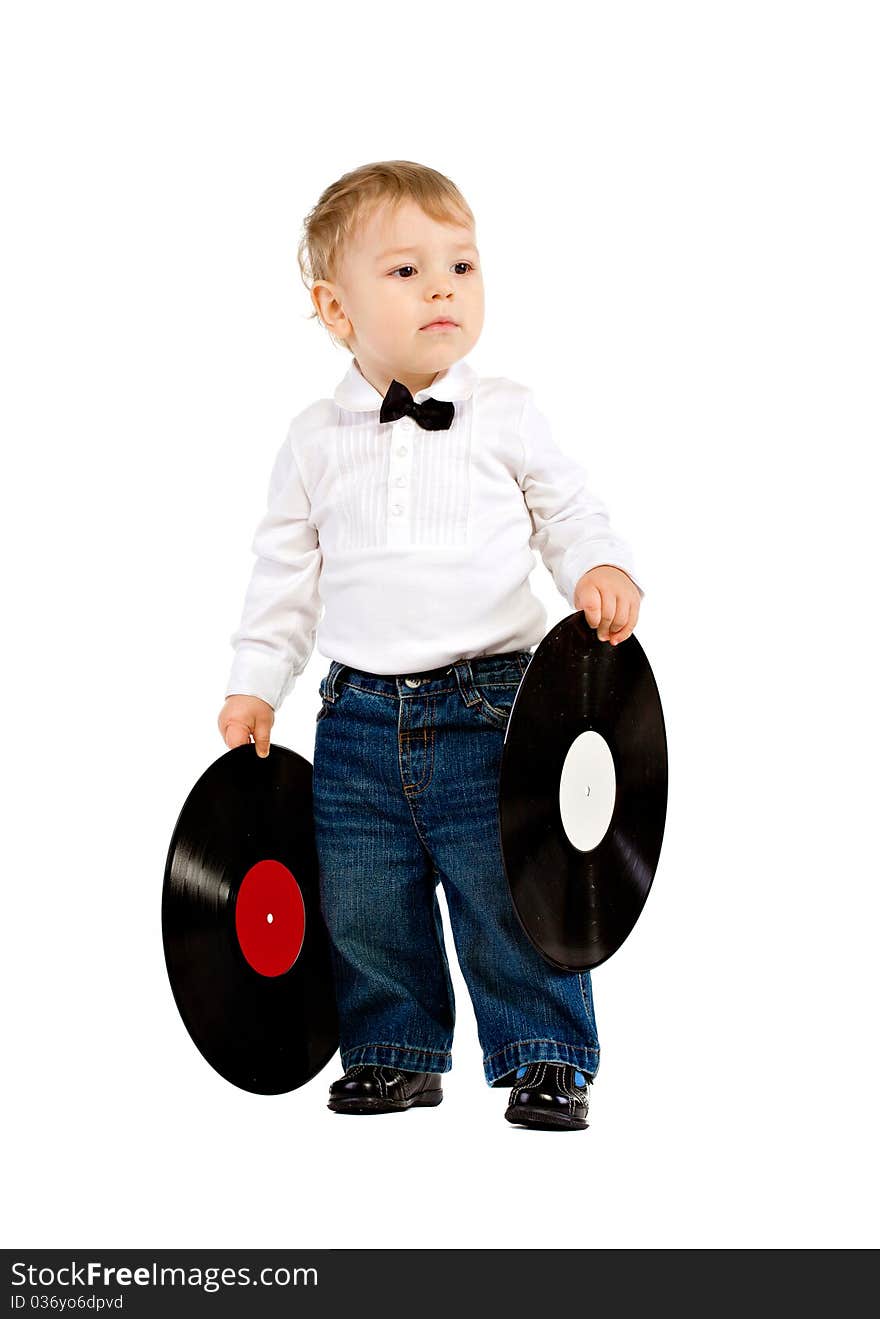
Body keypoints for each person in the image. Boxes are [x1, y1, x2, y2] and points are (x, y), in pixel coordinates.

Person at [217, 160, 645, 1130]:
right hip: (358, 713)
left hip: (494, 707)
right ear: (336, 306)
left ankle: (543, 1054)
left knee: (509, 891)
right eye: (405, 271)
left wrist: (597, 567)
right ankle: (393, 1052)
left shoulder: (507, 410)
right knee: (366, 900)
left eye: (461, 263)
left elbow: (565, 509)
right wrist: (255, 684)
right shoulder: (312, 438)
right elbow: (283, 576)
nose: (443, 286)